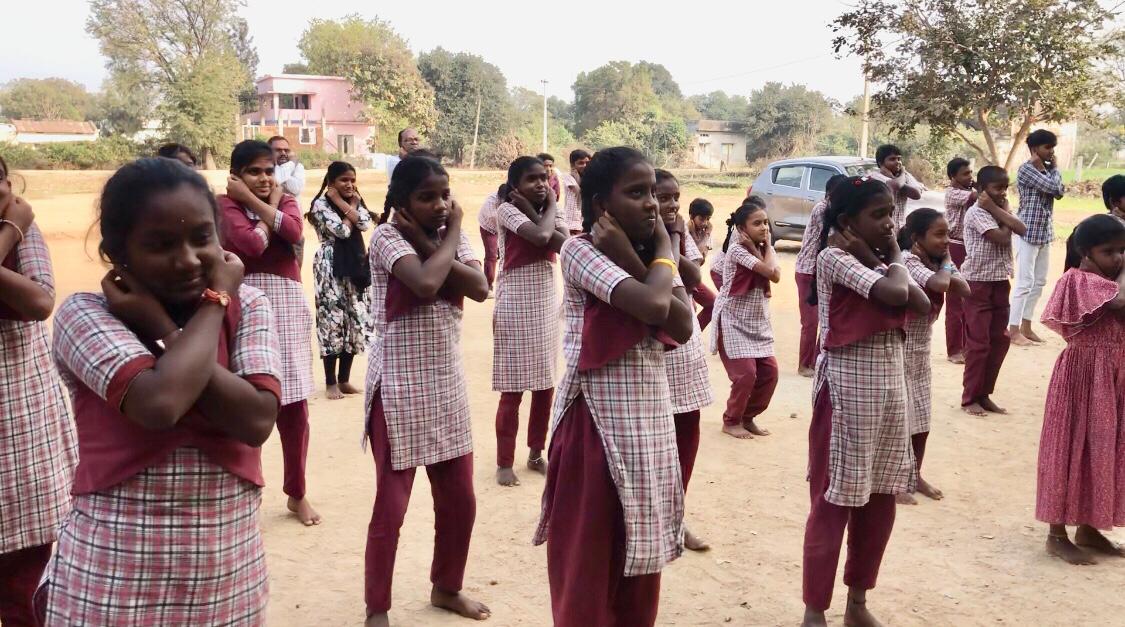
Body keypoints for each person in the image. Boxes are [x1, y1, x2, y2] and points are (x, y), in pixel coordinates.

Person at [42, 157, 281, 624]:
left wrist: (166, 329)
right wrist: (215, 304)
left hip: (227, 584)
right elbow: (159, 402)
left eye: (202, 238)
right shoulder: (84, 315)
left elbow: (255, 421)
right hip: (109, 585)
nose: (188, 259)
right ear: (117, 252)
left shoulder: (250, 305)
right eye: (160, 245)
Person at [533, 146, 694, 627]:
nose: (652, 204)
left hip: (648, 425)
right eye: (637, 192)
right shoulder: (580, 250)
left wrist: (648, 256)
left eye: (653, 193)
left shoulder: (649, 256)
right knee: (588, 562)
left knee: (639, 561)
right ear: (602, 205)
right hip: (595, 427)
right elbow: (653, 307)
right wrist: (661, 252)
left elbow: (683, 325)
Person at [363, 154, 490, 626]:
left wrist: (436, 237)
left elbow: (479, 286)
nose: (440, 205)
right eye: (426, 197)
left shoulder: (443, 235)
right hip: (398, 386)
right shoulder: (385, 237)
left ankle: (446, 586)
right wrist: (450, 233)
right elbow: (424, 282)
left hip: (446, 385)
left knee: (460, 502)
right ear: (400, 201)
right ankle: (377, 607)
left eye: (445, 195)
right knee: (391, 507)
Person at [800, 177, 930, 627]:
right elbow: (896, 294)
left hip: (889, 397)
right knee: (833, 501)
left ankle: (857, 602)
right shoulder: (834, 258)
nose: (890, 224)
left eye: (891, 214)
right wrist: (892, 257)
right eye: (878, 216)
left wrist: (885, 257)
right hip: (845, 399)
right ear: (846, 222)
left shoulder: (880, 262)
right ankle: (815, 609)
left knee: (879, 501)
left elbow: (922, 303)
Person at [218, 140, 320, 525]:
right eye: (253, 172)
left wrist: (263, 205)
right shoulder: (224, 205)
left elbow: (293, 231)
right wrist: (264, 206)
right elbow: (252, 244)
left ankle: (297, 493)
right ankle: (249, 494)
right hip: (245, 304)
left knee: (294, 406)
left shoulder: (286, 200)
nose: (263, 179)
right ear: (236, 176)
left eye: (268, 171)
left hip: (287, 305)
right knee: (249, 402)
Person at [0, 156, 77, 626]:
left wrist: (15, 230)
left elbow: (40, 301)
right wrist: (10, 230)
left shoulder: (27, 232)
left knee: (25, 581)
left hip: (22, 416)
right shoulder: (17, 227)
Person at [1035, 214, 1125, 565]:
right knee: (1069, 447)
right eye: (1109, 251)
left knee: (1102, 448)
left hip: (1111, 377)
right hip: (1082, 377)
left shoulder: (1108, 280)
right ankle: (1056, 534)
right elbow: (1119, 302)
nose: (1117, 258)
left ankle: (1089, 527)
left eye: (1122, 251)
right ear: (1085, 252)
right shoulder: (1077, 280)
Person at [492, 156, 568, 486]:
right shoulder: (506, 210)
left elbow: (562, 242)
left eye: (544, 178)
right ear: (515, 186)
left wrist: (545, 208)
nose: (540, 184)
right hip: (515, 303)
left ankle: (536, 453)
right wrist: (547, 208)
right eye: (532, 179)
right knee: (512, 389)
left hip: (545, 301)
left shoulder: (551, 209)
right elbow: (540, 238)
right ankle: (504, 462)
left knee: (544, 386)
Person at [655, 169, 714, 551]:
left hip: (685, 347)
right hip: (656, 350)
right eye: (663, 197)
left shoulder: (678, 232)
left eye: (676, 197)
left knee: (686, 429)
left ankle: (676, 516)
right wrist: (669, 238)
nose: (672, 204)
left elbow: (692, 275)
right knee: (655, 438)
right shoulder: (633, 237)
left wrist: (675, 236)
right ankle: (653, 516)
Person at [896, 208, 970, 505]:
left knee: (922, 418)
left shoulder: (937, 262)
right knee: (899, 420)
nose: (946, 240)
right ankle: (895, 480)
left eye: (948, 234)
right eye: (939, 235)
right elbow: (941, 285)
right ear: (917, 238)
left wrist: (946, 264)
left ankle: (914, 474)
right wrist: (948, 263)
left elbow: (964, 289)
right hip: (899, 347)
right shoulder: (908, 260)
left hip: (921, 349)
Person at [960, 165, 1028, 417]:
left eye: (1005, 188)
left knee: (999, 341)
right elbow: (1001, 236)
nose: (1002, 193)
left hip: (999, 281)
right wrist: (1002, 212)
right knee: (979, 344)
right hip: (977, 283)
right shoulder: (976, 212)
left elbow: (1022, 229)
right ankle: (969, 398)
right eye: (996, 188)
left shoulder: (999, 210)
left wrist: (1002, 212)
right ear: (981, 189)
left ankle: (984, 394)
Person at [710, 200, 780, 440]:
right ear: (742, 229)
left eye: (766, 223)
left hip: (757, 323)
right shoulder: (737, 250)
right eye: (757, 223)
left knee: (770, 374)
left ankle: (747, 417)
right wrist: (763, 248)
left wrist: (765, 246)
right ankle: (731, 421)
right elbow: (772, 273)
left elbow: (775, 272)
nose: (764, 228)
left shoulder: (765, 248)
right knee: (746, 375)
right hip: (733, 322)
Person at [306, 161, 374, 400]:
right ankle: (330, 382)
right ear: (331, 182)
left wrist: (349, 205)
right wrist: (347, 207)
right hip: (330, 264)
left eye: (353, 180)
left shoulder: (355, 201)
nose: (349, 184)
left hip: (354, 263)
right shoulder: (320, 205)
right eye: (344, 180)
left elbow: (364, 223)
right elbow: (342, 232)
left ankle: (344, 380)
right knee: (332, 319)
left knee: (354, 317)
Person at [1010, 129, 1065, 347]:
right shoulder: (1026, 170)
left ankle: (1026, 326)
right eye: (1047, 147)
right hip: (1027, 231)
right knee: (1024, 282)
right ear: (1034, 149)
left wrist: (1052, 169)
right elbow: (1053, 187)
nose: (1051, 151)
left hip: (1044, 232)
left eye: (1052, 147)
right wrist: (1047, 170)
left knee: (1039, 281)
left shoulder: (1050, 170)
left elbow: (1060, 192)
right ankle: (1013, 330)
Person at [794, 174, 848, 377]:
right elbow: (835, 236)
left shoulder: (835, 210)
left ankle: (816, 361)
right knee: (810, 322)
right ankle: (804, 364)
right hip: (808, 270)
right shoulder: (823, 209)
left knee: (825, 319)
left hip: (820, 271)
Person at [943, 158, 976, 364]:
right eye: (965, 174)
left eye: (971, 173)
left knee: (967, 299)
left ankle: (964, 345)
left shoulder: (968, 191)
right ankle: (954, 349)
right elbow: (978, 197)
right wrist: (981, 185)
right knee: (955, 300)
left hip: (968, 247)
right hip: (955, 246)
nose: (970, 177)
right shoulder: (953, 193)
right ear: (953, 177)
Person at [869, 144, 924, 228]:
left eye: (899, 159)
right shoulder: (874, 176)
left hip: (900, 227)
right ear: (881, 163)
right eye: (892, 159)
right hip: (882, 227)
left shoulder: (905, 175)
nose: (897, 162)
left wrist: (896, 177)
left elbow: (917, 194)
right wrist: (902, 174)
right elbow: (895, 185)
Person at [687, 197, 718, 329]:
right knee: (690, 309)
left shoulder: (702, 232)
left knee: (713, 303)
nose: (705, 223)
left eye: (708, 219)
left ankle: (694, 334)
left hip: (693, 279)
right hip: (682, 280)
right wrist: (707, 235)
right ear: (691, 216)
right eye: (701, 219)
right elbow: (698, 255)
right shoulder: (685, 231)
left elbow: (702, 258)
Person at [477, 184, 505, 293]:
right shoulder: (490, 204)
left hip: (502, 226)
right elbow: (501, 222)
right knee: (491, 256)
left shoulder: (511, 197)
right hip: (488, 227)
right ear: (499, 197)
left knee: (504, 254)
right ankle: (488, 285)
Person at [560, 149, 591, 235]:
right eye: (581, 163)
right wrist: (577, 179)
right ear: (572, 165)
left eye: (587, 163)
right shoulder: (568, 177)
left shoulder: (587, 178)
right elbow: (580, 193)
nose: (585, 166)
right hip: (571, 220)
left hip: (583, 221)